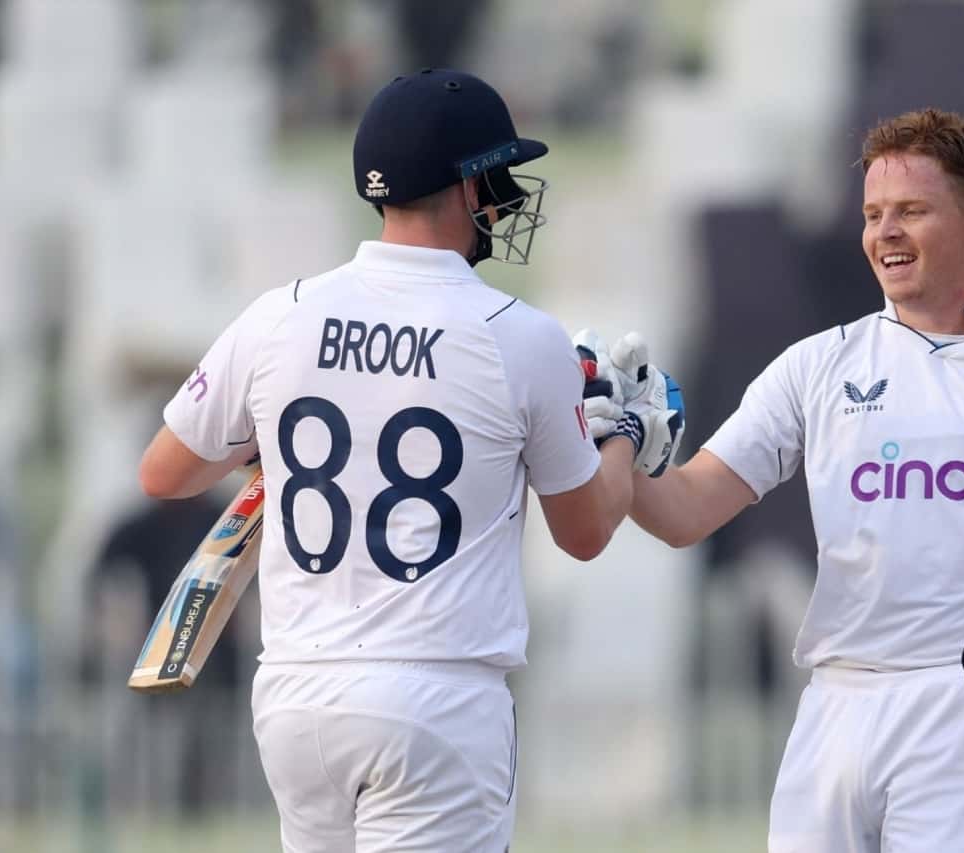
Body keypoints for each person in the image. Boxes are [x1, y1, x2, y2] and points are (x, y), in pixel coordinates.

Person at [138, 68, 678, 853]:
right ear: (466, 187)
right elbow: (588, 529)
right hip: (436, 699)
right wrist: (623, 427)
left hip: (295, 693)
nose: (506, 197)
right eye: (498, 176)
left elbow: (163, 472)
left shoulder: (279, 315)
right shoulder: (519, 335)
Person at [599, 108, 964, 852]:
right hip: (834, 706)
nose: (884, 232)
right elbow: (684, 511)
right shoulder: (817, 365)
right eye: (872, 214)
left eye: (911, 211)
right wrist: (614, 442)